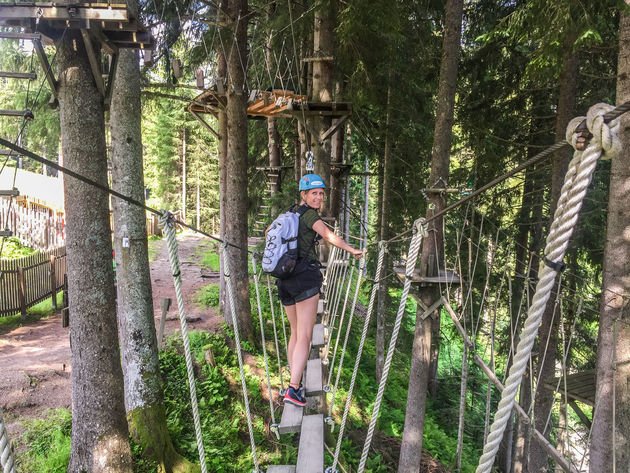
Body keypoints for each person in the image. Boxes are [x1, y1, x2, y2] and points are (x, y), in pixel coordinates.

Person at [276, 173, 363, 407]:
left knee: (295, 333)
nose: (318, 197)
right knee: (304, 335)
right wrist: (351, 249)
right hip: (304, 279)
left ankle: (293, 379)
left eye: (321, 193)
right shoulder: (309, 215)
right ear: (304, 195)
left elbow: (268, 235)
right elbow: (328, 236)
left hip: (284, 279)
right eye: (314, 193)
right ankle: (293, 389)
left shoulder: (288, 213)